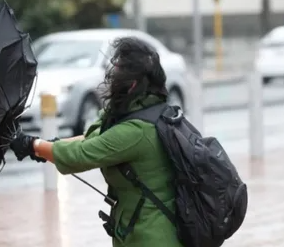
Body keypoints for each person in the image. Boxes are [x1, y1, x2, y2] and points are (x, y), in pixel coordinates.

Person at [10, 36, 183, 247]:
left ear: (133, 84)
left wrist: (32, 145)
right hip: (142, 230)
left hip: (152, 237)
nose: (111, 77)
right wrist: (46, 145)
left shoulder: (137, 131)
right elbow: (94, 137)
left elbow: (82, 155)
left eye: (118, 72)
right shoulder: (144, 112)